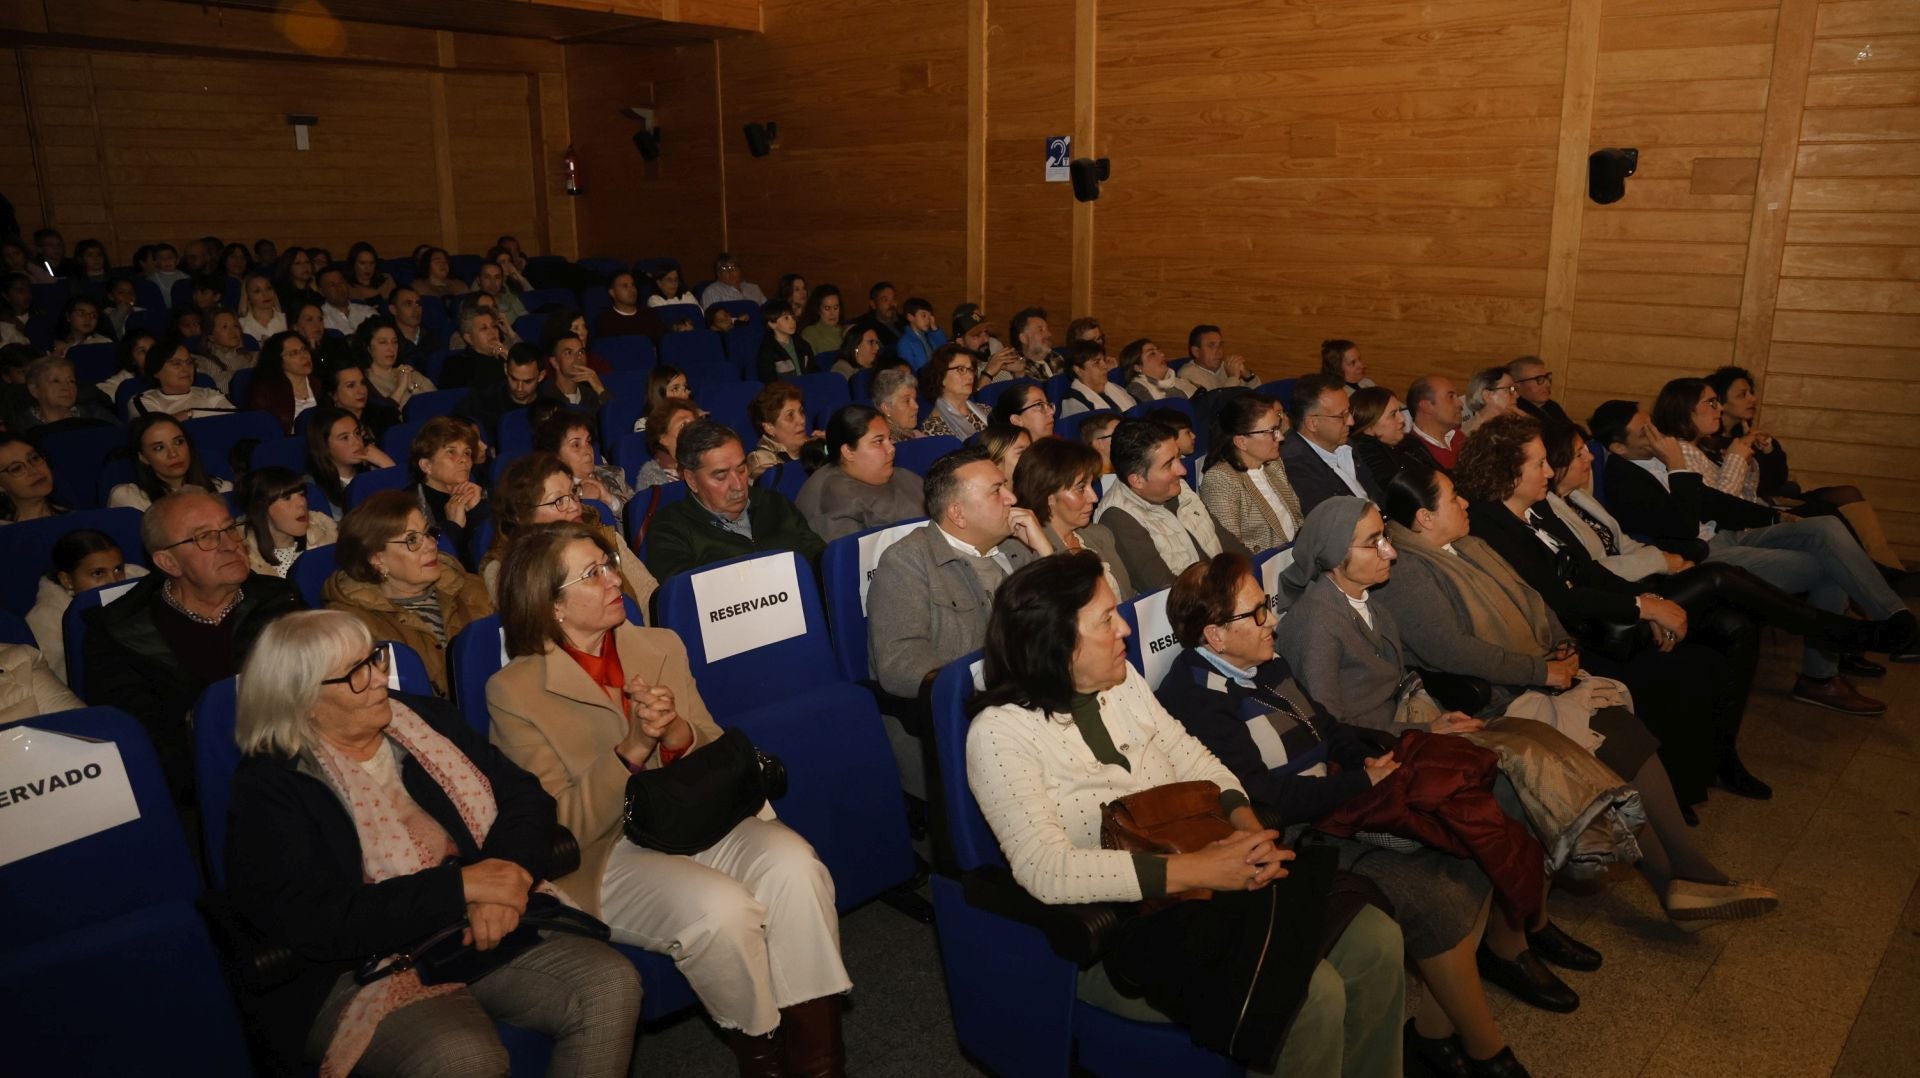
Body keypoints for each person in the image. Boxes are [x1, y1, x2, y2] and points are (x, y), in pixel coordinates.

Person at [967, 551, 1406, 1076]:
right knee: (1314, 999)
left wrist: (1246, 826)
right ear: (1056, 641)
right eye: (1106, 619)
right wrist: (1201, 870)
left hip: (1207, 872)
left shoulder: (1122, 683)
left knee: (1377, 941)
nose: (1125, 629)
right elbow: (1045, 868)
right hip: (1127, 928)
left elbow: (1196, 759)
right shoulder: (1000, 734)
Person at [486, 523, 849, 1076]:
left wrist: (676, 732)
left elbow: (708, 742)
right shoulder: (514, 691)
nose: (615, 579)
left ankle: (821, 1061)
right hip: (607, 851)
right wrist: (631, 749)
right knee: (721, 912)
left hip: (693, 812)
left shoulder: (657, 645)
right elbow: (558, 824)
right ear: (551, 604)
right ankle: (764, 1055)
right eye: (594, 573)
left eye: (609, 563)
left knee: (797, 866)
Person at [224, 610, 641, 1078]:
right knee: (462, 1058)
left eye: (375, 658)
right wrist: (463, 887)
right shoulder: (271, 788)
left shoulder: (422, 720)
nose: (380, 677)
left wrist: (507, 879)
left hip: (472, 927)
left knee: (608, 984)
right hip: (362, 967)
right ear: (304, 702)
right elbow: (318, 920)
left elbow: (524, 797)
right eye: (356, 673)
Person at [1158, 553, 1529, 1074]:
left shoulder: (1266, 659)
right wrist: (1358, 783)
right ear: (1215, 636)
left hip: (1341, 796)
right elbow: (1263, 796)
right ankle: (1486, 1048)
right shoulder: (1195, 701)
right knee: (1438, 897)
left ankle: (1434, 1032)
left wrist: (1362, 761)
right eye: (1258, 613)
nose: (1273, 620)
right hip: (1304, 832)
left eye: (1267, 605)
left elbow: (1327, 725)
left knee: (1476, 847)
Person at [1374, 465, 1783, 926]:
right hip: (1487, 700)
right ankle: (1686, 877)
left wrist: (1562, 645)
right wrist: (1542, 668)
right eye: (1453, 498)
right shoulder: (1407, 571)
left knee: (1622, 734)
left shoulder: (1470, 544)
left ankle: (1681, 880)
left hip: (1530, 674)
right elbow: (1452, 651)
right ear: (1424, 519)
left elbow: (1534, 601)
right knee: (1615, 739)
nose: (1466, 503)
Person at [1271, 498, 1611, 1015]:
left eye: (1385, 536)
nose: (1390, 550)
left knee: (1526, 748)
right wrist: (1421, 727)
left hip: (1407, 732)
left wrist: (1430, 721)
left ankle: (1523, 922)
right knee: (1510, 783)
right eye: (1373, 543)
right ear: (1333, 558)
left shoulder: (1369, 600)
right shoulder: (1316, 623)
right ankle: (1514, 939)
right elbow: (1330, 729)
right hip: (1374, 760)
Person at [1454, 414, 1757, 808]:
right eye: (1538, 464)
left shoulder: (1538, 507)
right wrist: (1640, 606)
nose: (1549, 471)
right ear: (1507, 473)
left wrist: (1651, 606)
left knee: (1714, 651)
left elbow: (1589, 571)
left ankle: (1704, 771)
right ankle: (1675, 793)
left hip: (1597, 620)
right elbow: (1555, 600)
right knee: (1687, 670)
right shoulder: (1488, 523)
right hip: (1565, 641)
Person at [1591, 400, 1915, 713]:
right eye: (1644, 431)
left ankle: (1897, 621)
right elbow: (1684, 527)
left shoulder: (1654, 456)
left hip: (1722, 533)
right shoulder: (1625, 480)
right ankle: (1820, 678)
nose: (1656, 433)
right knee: (1825, 568)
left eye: (1652, 424)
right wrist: (1677, 466)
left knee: (1824, 526)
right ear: (1620, 448)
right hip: (1701, 556)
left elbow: (1712, 501)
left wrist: (1775, 517)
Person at [84, 490, 302, 800]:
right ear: (168, 562)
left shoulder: (278, 598)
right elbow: (145, 742)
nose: (229, 544)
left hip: (296, 761)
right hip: (200, 792)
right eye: (205, 538)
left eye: (229, 529)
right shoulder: (118, 633)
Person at [1659, 375, 1910, 586]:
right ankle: (1875, 578)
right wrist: (1737, 459)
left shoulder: (1708, 443)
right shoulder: (1684, 451)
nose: (1721, 409)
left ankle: (1878, 575)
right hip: (1729, 530)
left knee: (1831, 514)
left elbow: (1759, 486)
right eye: (1714, 402)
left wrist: (1763, 454)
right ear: (1685, 410)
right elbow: (1723, 505)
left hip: (1752, 513)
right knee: (1826, 532)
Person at [867, 446, 1048, 697]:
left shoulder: (1015, 546)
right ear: (958, 514)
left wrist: (1045, 551)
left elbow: (1070, 616)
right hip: (978, 706)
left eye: (1006, 486)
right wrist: (982, 689)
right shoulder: (907, 561)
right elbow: (901, 663)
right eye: (997, 491)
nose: (1012, 498)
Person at [324, 491, 494, 698]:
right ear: (377, 559)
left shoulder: (471, 587)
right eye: (412, 540)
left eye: (428, 533)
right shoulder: (354, 627)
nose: (431, 545)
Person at [642, 419, 826, 580]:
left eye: (741, 470)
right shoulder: (670, 530)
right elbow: (686, 602)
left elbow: (820, 559)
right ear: (691, 480)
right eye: (721, 476)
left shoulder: (774, 503)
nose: (738, 485)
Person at [479, 454, 655, 611]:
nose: (574, 506)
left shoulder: (604, 535)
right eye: (557, 501)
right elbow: (531, 631)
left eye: (573, 493)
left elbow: (650, 598)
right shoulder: (503, 569)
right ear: (523, 516)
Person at [1095, 418, 1249, 593]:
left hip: (1225, 590)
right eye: (1168, 465)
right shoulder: (1118, 518)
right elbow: (1168, 591)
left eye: (1178, 457)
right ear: (1137, 480)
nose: (1182, 470)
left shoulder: (1177, 486)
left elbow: (1228, 543)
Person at [1012, 436, 1133, 598]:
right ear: (1048, 496)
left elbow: (1129, 598)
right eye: (1081, 488)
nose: (1094, 497)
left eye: (1092, 485)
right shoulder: (1028, 553)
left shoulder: (1101, 535)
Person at [27, 528, 145, 682]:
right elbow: (59, 681)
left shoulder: (140, 580)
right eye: (98, 573)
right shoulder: (46, 619)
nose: (114, 581)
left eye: (118, 569)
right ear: (67, 580)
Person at [796, 405, 926, 543]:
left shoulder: (906, 478)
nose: (891, 449)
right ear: (848, 452)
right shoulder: (831, 499)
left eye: (889, 439)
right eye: (878, 441)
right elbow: (856, 559)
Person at [1197, 392, 1304, 552]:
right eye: (1272, 431)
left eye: (1278, 428)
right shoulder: (1220, 479)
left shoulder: (1273, 464)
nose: (1280, 437)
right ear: (1241, 442)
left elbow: (1297, 519)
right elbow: (1232, 549)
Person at [1280, 373, 1385, 512]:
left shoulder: (1344, 442)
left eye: (1349, 412)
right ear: (1312, 423)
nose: (1351, 422)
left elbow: (1376, 495)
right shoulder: (1294, 465)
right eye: (1342, 415)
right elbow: (1334, 523)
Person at [408, 417, 490, 567]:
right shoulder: (410, 505)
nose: (464, 460)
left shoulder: (476, 493)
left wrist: (479, 509)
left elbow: (494, 545)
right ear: (427, 465)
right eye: (451, 452)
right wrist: (453, 526)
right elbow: (424, 553)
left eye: (467, 453)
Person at [106, 414, 233, 511]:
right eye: (159, 448)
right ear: (143, 457)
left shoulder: (222, 489)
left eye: (178, 442)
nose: (173, 454)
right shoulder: (130, 499)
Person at [533, 409, 634, 517]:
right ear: (556, 455)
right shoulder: (553, 493)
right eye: (576, 445)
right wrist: (582, 498)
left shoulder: (614, 474)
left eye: (588, 442)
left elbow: (640, 515)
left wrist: (610, 500)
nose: (588, 451)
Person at [239, 466, 337, 577]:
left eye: (301, 494)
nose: (302, 503)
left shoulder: (327, 539)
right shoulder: (244, 560)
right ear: (261, 508)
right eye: (287, 498)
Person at [307, 406, 396, 513]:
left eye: (357, 433)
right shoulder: (312, 487)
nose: (357, 442)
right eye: (345, 438)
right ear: (324, 446)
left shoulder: (374, 470)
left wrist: (388, 465)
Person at [131, 333, 236, 420]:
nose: (186, 369)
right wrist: (190, 414)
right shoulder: (145, 400)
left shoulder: (209, 393)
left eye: (189, 362)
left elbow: (235, 419)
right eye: (176, 364)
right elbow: (153, 428)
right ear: (156, 371)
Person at [18, 353, 114, 432]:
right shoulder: (22, 425)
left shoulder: (95, 414)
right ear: (34, 390)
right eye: (56, 381)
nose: (66, 388)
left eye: (71, 381)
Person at [247, 330, 319, 434]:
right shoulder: (266, 392)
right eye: (294, 353)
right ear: (278, 360)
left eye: (304, 349)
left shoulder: (321, 383)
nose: (304, 356)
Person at [355, 316, 434, 410]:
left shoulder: (407, 371)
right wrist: (401, 387)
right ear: (368, 348)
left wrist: (412, 386)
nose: (391, 348)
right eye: (383, 342)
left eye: (394, 342)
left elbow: (438, 402)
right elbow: (385, 416)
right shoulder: (364, 381)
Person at [1347, 386, 1419, 488]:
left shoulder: (1409, 442)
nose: (1402, 419)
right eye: (1393, 414)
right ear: (1369, 425)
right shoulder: (1366, 454)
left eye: (1400, 411)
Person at [918, 343, 992, 437]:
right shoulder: (933, 428)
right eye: (961, 369)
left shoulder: (986, 410)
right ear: (941, 376)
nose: (970, 376)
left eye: (971, 369)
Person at [746, 380, 813, 479]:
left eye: (801, 412)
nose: (802, 420)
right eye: (790, 416)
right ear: (769, 428)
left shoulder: (813, 444)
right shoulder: (760, 462)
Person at [440, 306, 512, 392]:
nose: (492, 332)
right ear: (468, 338)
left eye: (494, 326)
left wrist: (510, 358)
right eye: (484, 328)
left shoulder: (505, 355)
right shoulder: (457, 364)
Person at [1057, 339, 1138, 416]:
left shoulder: (1116, 388)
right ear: (1078, 370)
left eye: (1104, 360)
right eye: (1097, 362)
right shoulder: (1073, 403)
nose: (1105, 366)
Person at [1405, 375, 1465, 472]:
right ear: (1427, 406)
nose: (1460, 404)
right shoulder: (1412, 456)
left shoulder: (1459, 437)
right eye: (1450, 397)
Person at [1177, 324, 1258, 396]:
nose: (1219, 351)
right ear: (1196, 352)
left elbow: (1258, 393)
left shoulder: (1225, 366)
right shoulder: (1188, 375)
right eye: (1211, 346)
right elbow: (1217, 406)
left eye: (1220, 345)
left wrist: (1247, 376)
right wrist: (1233, 378)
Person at [195, 307, 255, 394]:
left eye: (235, 326)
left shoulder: (253, 356)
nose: (233, 331)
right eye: (225, 327)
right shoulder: (205, 363)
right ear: (211, 336)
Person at [594, 271, 666, 342]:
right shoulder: (606, 321)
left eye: (633, 285)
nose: (632, 290)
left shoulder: (649, 314)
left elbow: (663, 342)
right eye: (625, 286)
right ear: (612, 293)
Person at [756, 299, 814, 381]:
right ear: (772, 324)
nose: (793, 321)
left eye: (793, 317)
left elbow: (814, 373)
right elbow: (770, 383)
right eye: (786, 318)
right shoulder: (767, 351)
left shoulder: (803, 345)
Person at [1119, 337, 1187, 402]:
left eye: (1159, 350)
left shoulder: (1178, 381)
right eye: (1152, 354)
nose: (1162, 354)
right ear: (1138, 367)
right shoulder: (1137, 388)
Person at [846, 281, 903, 357]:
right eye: (885, 300)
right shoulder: (866, 326)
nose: (892, 304)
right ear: (873, 304)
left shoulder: (904, 320)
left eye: (894, 299)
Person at [989, 380, 1056, 443]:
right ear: (1017, 420)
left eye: (1048, 404)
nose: (1051, 412)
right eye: (1039, 405)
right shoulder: (1014, 455)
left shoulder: (1058, 444)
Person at [1507, 357, 1567, 426]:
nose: (1548, 384)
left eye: (1547, 377)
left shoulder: (1551, 406)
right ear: (1517, 385)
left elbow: (1573, 431)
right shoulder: (1515, 413)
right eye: (1539, 379)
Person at [316, 266, 373, 337]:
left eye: (341, 282)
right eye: (332, 285)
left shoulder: (366, 311)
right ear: (321, 291)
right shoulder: (320, 317)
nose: (339, 287)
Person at [870, 365, 924, 441]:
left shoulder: (917, 435)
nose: (916, 406)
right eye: (907, 401)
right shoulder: (885, 448)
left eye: (915, 399)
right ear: (886, 408)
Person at [1461, 367, 1520, 436]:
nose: (1517, 395)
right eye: (1510, 389)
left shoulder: (1510, 424)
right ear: (1487, 395)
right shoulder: (1472, 436)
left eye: (1514, 389)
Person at [698, 251, 769, 307]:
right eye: (725, 269)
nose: (730, 272)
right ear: (718, 274)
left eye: (734, 268)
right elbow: (709, 319)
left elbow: (767, 311)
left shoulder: (754, 288)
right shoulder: (712, 291)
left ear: (740, 270)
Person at [893, 297, 947, 371]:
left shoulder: (931, 336)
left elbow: (946, 351)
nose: (928, 320)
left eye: (929, 316)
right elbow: (909, 372)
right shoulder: (905, 343)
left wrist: (935, 329)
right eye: (923, 316)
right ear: (910, 317)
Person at [237, 271, 287, 342]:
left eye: (269, 288)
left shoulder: (286, 320)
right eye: (257, 291)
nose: (265, 294)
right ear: (248, 297)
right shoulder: (241, 325)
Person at [797, 284, 844, 356]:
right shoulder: (810, 333)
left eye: (836, 308)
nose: (832, 313)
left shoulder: (845, 331)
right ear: (818, 309)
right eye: (827, 308)